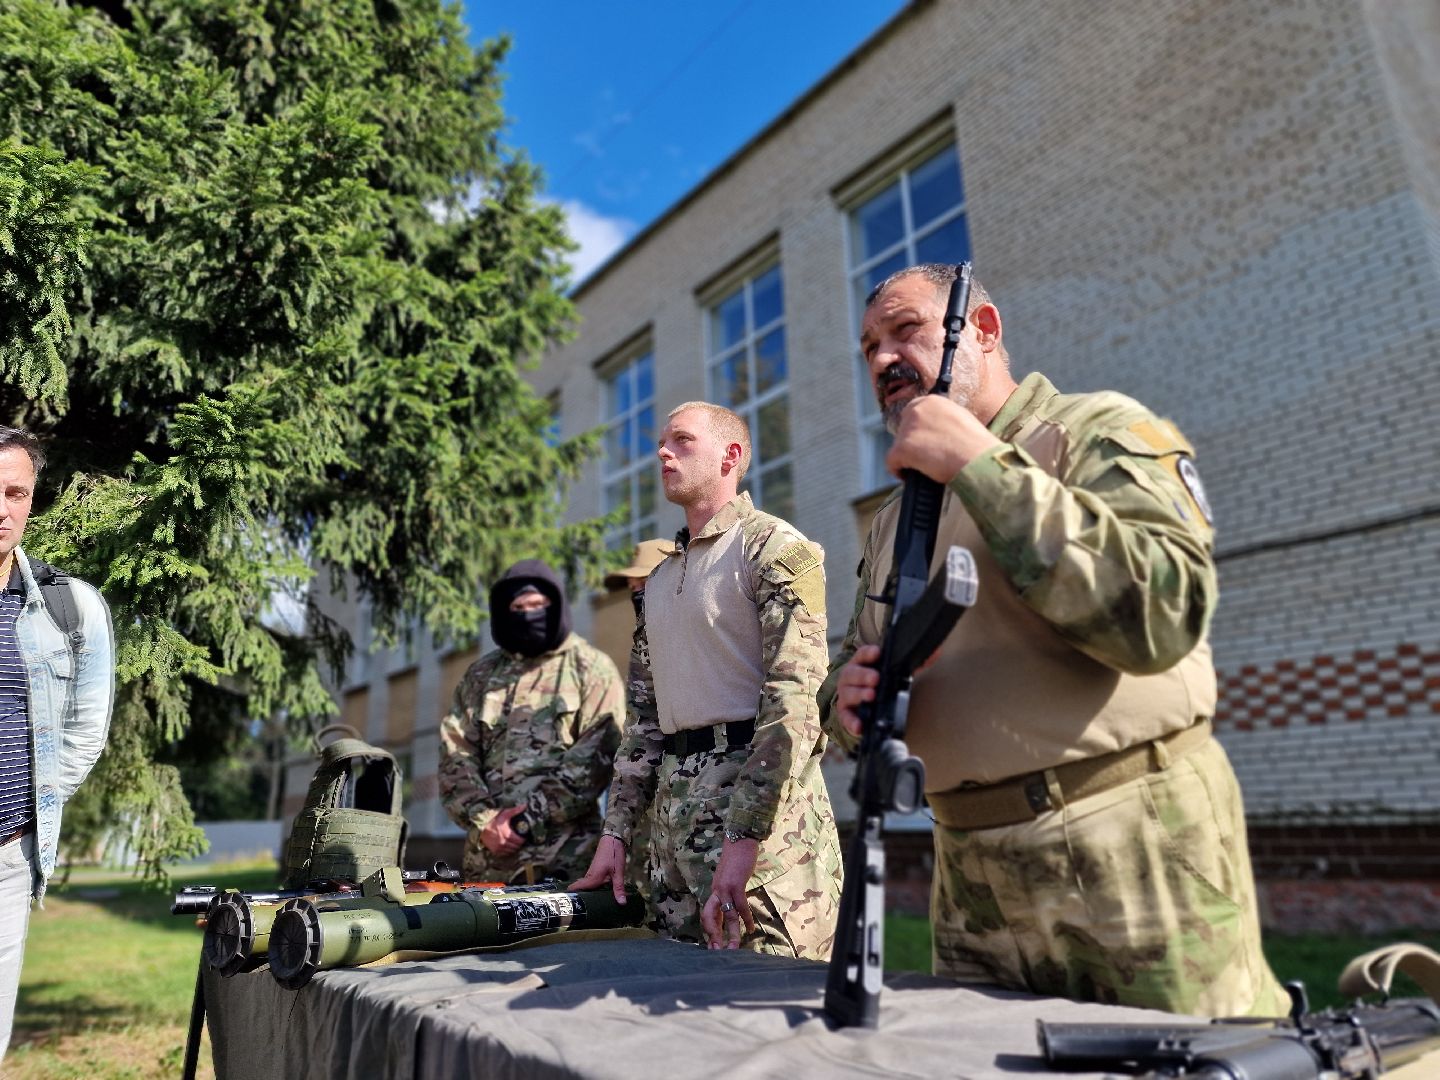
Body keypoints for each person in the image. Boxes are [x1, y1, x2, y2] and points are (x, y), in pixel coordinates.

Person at [819, 264, 1288, 1017]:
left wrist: (977, 462)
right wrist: (839, 700)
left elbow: (1161, 613)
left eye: (905, 331)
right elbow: (852, 661)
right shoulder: (891, 521)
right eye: (869, 347)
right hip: (967, 872)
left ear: (985, 329)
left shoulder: (1096, 430)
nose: (881, 360)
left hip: (1130, 844)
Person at [573, 402, 842, 958]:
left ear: (731, 456)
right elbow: (644, 723)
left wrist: (743, 843)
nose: (663, 452)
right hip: (674, 831)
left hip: (760, 837)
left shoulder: (774, 549)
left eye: (682, 440)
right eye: (661, 443)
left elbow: (794, 705)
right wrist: (616, 834)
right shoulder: (662, 575)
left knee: (766, 1000)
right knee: (679, 1003)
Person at [0, 427, 114, 1059]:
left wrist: (32, 798)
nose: (1, 509)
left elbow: (85, 731)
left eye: (15, 493)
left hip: (6, 858)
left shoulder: (73, 608)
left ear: (31, 501)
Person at [438, 559, 623, 886]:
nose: (529, 614)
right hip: (488, 868)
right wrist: (485, 821)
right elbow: (455, 755)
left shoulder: (591, 668)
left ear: (557, 606)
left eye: (538, 605)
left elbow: (595, 757)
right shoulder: (481, 676)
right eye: (519, 607)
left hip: (568, 864)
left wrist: (524, 822)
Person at [602, 538, 674, 908]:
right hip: (656, 835)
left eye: (643, 583)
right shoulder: (644, 645)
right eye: (632, 588)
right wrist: (616, 831)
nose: (635, 592)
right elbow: (642, 735)